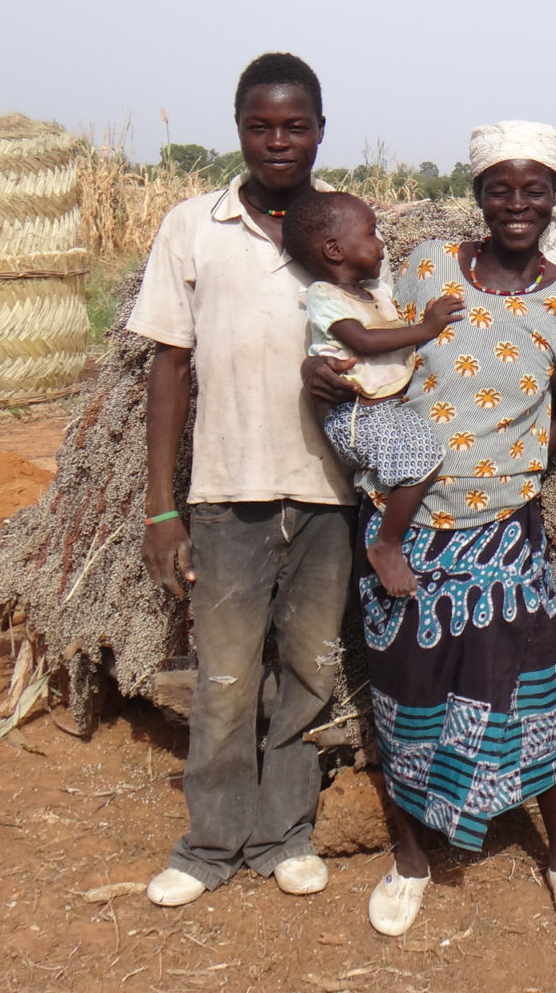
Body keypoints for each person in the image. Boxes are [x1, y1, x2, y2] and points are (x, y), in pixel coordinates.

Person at [306, 121, 556, 936]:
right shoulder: (429, 267)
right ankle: (410, 858)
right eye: (500, 188)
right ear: (478, 194)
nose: (517, 203)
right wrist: (322, 370)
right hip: (407, 529)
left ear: (555, 196)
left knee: (529, 693)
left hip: (506, 531)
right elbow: (371, 345)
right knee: (409, 687)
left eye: (534, 187)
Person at [126, 52, 359, 907]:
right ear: (239, 131)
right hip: (227, 493)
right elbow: (170, 369)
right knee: (224, 676)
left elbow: (383, 342)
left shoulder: (342, 227)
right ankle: (209, 843)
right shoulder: (195, 225)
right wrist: (162, 509)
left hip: (328, 493)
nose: (278, 141)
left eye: (295, 125)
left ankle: (286, 833)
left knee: (307, 669)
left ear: (319, 132)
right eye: (261, 125)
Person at [283, 190, 464, 597]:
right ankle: (386, 545)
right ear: (334, 250)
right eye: (370, 234)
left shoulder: (377, 293)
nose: (381, 243)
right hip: (357, 417)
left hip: (384, 410)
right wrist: (428, 328)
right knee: (422, 458)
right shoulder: (325, 296)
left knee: (427, 451)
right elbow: (361, 341)